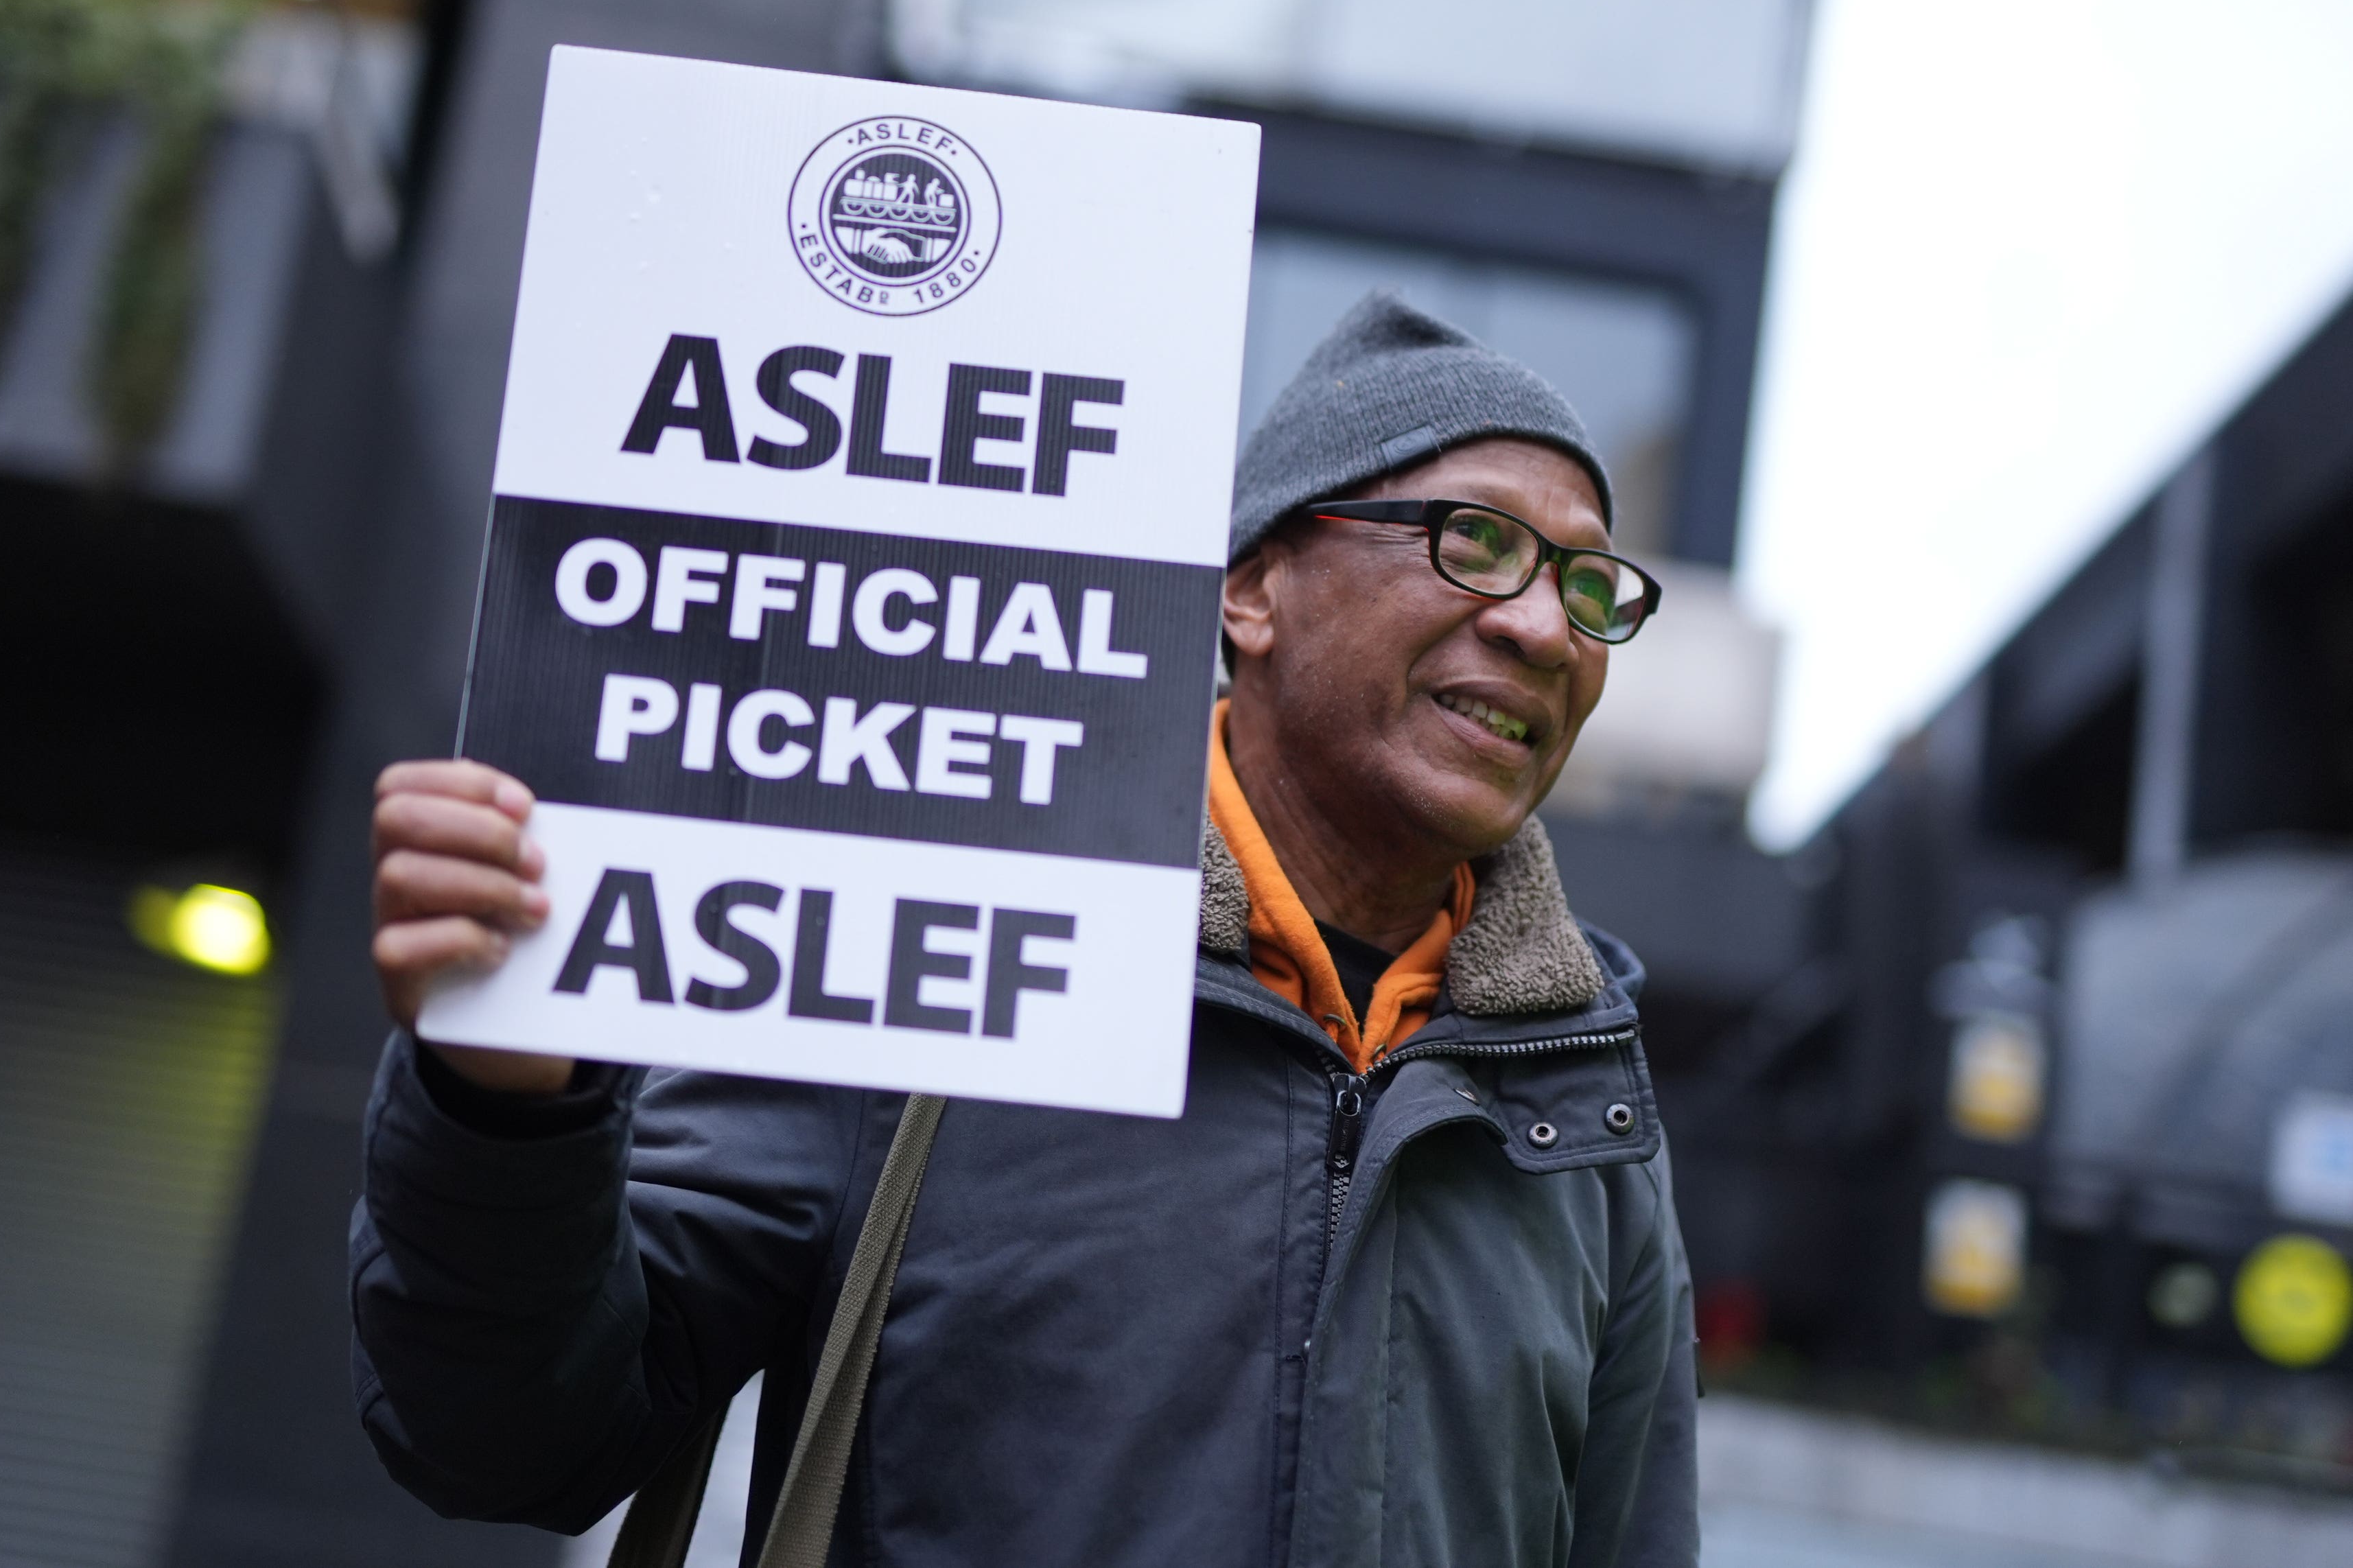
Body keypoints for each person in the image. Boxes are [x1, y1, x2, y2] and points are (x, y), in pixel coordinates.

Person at [353, 291, 1698, 1567]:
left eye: (1592, 590)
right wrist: (510, 1107)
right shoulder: (930, 946)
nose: (1541, 626)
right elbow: (513, 1435)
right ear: (1251, 586)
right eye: (1475, 540)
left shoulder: (1579, 1111)